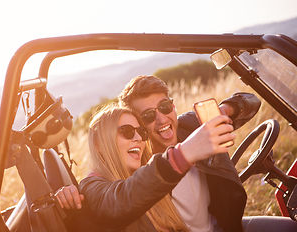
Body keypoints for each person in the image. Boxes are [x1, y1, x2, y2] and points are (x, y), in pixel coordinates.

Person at [117, 75, 297, 232]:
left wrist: (226, 110)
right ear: (139, 125)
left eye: (164, 107)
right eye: (148, 116)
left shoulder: (193, 126)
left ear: (173, 105)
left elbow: (252, 101)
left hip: (225, 227)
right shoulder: (141, 170)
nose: (162, 119)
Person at [57, 103, 236, 231]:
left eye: (141, 132)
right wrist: (184, 153)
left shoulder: (143, 181)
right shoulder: (91, 188)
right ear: (99, 144)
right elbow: (120, 201)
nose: (138, 138)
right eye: (127, 131)